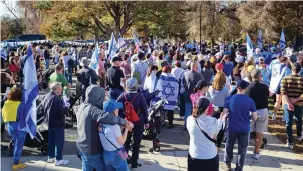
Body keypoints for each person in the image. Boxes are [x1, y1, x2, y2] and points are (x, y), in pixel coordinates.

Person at [76, 85, 131, 171]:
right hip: (94, 150)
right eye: (102, 96)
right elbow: (108, 117)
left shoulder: (81, 107)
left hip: (82, 147)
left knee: (87, 167)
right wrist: (126, 124)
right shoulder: (92, 110)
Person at [223, 80, 258, 171]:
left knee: (229, 146)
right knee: (242, 150)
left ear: (237, 88)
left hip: (232, 127)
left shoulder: (229, 99)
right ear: (245, 89)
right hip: (244, 128)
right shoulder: (250, 101)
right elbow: (255, 117)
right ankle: (239, 167)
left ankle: (227, 164)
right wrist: (248, 116)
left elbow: (224, 113)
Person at [116, 78, 148, 169]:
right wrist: (146, 121)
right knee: (136, 143)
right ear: (136, 86)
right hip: (138, 121)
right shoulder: (140, 96)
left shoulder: (123, 95)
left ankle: (124, 162)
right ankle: (134, 163)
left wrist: (121, 118)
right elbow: (145, 109)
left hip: (126, 122)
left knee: (125, 143)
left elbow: (116, 107)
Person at [187, 98, 226, 171]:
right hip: (210, 156)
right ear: (207, 108)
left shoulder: (189, 119)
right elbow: (215, 135)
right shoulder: (213, 121)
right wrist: (221, 120)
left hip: (195, 155)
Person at [99, 100, 133, 171]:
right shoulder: (115, 126)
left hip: (106, 153)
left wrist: (120, 127)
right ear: (113, 111)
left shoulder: (100, 123)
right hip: (117, 154)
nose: (118, 109)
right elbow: (122, 142)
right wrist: (126, 129)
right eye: (116, 108)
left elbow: (109, 133)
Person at [43, 82, 69, 166]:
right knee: (59, 142)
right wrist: (66, 107)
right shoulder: (56, 99)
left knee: (51, 141)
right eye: (60, 88)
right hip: (58, 123)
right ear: (57, 89)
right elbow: (61, 112)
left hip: (49, 122)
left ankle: (51, 157)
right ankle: (59, 159)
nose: (61, 90)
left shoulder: (46, 96)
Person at [245, 70, 270, 159]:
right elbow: (269, 95)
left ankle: (244, 150)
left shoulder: (248, 87)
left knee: (247, 132)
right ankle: (256, 152)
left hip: (251, 111)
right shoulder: (264, 86)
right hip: (262, 111)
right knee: (259, 133)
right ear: (259, 76)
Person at [2, 86, 27, 170]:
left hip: (10, 126)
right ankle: (16, 164)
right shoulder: (20, 105)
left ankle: (17, 159)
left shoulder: (7, 102)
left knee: (16, 143)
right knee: (18, 146)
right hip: (19, 127)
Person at [280, 63, 303, 149]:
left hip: (287, 104)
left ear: (291, 69)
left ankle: (290, 142)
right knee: (299, 120)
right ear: (299, 70)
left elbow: (283, 93)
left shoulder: (285, 79)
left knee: (288, 123)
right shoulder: (302, 79)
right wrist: (297, 99)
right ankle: (299, 135)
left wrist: (289, 103)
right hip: (299, 104)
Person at [182, 62, 204, 128]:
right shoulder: (200, 75)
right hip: (196, 96)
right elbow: (203, 85)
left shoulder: (185, 74)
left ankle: (186, 125)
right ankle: (195, 126)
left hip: (187, 95)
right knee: (196, 111)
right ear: (196, 67)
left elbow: (183, 84)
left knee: (188, 111)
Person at [268, 56, 291, 120]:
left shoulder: (274, 66)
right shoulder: (286, 69)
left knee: (277, 101)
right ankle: (284, 117)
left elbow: (269, 75)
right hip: (283, 86)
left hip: (275, 85)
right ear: (284, 61)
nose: (288, 62)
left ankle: (274, 115)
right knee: (284, 102)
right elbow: (288, 78)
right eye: (287, 61)